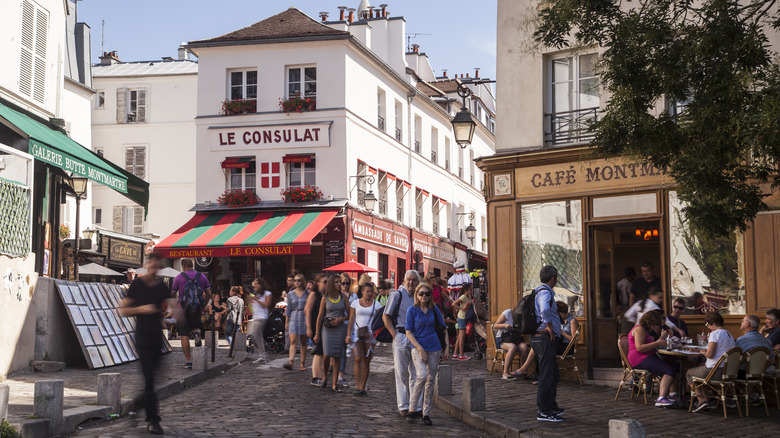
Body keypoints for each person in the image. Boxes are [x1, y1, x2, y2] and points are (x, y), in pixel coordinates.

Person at [120, 253, 172, 435]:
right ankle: (153, 420)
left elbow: (173, 304)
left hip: (157, 336)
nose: (154, 269)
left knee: (153, 379)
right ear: (146, 265)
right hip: (142, 336)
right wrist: (142, 309)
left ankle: (138, 403)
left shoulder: (162, 286)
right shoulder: (137, 285)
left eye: (157, 267)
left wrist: (177, 315)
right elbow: (123, 310)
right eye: (151, 266)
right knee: (149, 378)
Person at [405, 282, 449, 426]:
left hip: (435, 347)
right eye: (421, 293)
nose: (424, 296)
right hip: (418, 347)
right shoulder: (412, 310)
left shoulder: (434, 310)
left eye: (427, 294)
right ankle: (412, 409)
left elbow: (443, 328)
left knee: (430, 380)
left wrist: (447, 347)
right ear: (416, 295)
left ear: (431, 296)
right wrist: (419, 349)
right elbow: (408, 332)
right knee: (422, 376)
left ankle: (426, 413)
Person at [383, 270, 422, 417]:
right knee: (401, 373)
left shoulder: (419, 295)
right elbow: (386, 316)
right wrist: (394, 334)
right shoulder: (397, 295)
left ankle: (415, 406)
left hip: (416, 338)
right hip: (400, 335)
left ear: (418, 282)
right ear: (404, 280)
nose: (411, 282)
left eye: (414, 280)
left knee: (417, 373)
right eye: (409, 280)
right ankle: (403, 406)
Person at [530, 265, 564, 422]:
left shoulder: (541, 291)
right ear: (553, 279)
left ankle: (551, 405)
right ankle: (543, 410)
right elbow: (544, 310)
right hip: (544, 337)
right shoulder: (544, 292)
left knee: (552, 373)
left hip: (543, 337)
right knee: (546, 374)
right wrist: (549, 327)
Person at [687, 311, 736, 412]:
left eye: (707, 324)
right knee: (700, 372)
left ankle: (701, 401)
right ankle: (707, 401)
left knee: (689, 373)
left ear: (712, 322)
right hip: (727, 372)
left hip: (714, 371)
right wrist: (701, 351)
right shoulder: (729, 334)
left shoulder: (715, 334)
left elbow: (710, 355)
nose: (708, 327)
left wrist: (702, 351)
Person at [628, 311, 679, 407]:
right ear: (649, 321)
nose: (653, 327)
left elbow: (651, 344)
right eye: (654, 325)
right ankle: (661, 398)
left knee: (674, 365)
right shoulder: (639, 329)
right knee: (669, 370)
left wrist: (660, 338)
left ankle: (673, 394)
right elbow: (639, 347)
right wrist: (658, 343)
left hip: (646, 357)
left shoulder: (643, 329)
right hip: (639, 358)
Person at [171, 259, 211, 369]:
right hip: (197, 309)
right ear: (193, 265)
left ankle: (188, 361)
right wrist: (203, 305)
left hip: (183, 310)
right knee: (197, 326)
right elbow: (209, 293)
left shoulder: (179, 277)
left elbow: (172, 294)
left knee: (184, 335)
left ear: (183, 266)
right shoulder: (202, 276)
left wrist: (176, 308)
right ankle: (197, 332)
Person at [314, 275, 349, 392]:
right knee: (326, 355)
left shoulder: (344, 297)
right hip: (327, 329)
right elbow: (319, 316)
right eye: (337, 282)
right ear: (331, 284)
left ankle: (334, 384)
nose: (339, 284)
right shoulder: (326, 298)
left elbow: (349, 314)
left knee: (337, 356)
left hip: (339, 329)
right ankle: (324, 375)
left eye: (340, 282)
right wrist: (317, 333)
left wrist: (340, 319)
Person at [347, 282, 381, 396]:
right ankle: (357, 384)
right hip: (357, 334)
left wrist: (375, 333)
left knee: (366, 361)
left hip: (370, 335)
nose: (370, 294)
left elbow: (378, 322)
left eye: (371, 291)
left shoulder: (376, 305)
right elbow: (351, 319)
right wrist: (348, 334)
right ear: (362, 291)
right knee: (357, 358)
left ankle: (363, 387)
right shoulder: (355, 303)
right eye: (367, 291)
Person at [493, 308, 530, 380]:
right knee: (512, 347)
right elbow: (495, 325)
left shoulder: (522, 317)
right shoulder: (507, 313)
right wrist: (504, 325)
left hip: (514, 338)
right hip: (502, 339)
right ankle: (505, 372)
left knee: (524, 347)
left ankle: (522, 370)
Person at [284, 274, 309, 371]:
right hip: (294, 316)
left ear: (302, 281)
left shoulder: (307, 293)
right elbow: (288, 308)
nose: (297, 282)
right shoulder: (290, 294)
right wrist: (286, 322)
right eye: (295, 280)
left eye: (299, 280)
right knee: (293, 341)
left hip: (304, 317)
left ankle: (302, 363)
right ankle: (291, 362)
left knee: (303, 341)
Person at [306, 274, 328, 386]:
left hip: (324, 326)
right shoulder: (314, 294)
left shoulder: (326, 295)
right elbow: (307, 311)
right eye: (324, 282)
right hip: (316, 326)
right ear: (318, 283)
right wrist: (309, 328)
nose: (326, 284)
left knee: (323, 352)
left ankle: (321, 375)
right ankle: (315, 377)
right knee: (318, 352)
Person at [249, 277, 272, 364]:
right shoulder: (254, 294)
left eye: (256, 284)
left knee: (257, 336)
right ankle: (265, 349)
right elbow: (251, 307)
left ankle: (262, 356)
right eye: (253, 284)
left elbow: (266, 305)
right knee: (254, 337)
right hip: (255, 317)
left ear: (261, 285)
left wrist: (256, 299)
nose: (254, 286)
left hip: (262, 317)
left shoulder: (267, 293)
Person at [451, 283, 474, 360]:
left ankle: (455, 354)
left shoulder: (469, 296)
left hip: (465, 317)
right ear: (466, 290)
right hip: (462, 317)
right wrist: (462, 308)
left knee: (460, 336)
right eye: (470, 290)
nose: (471, 291)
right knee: (462, 336)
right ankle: (461, 355)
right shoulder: (463, 297)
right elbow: (454, 304)